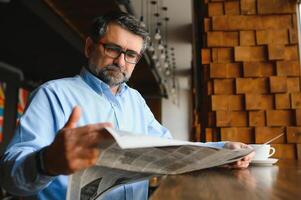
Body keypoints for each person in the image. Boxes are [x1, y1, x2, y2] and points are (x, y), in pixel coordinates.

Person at [0, 12, 254, 200]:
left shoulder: (136, 101)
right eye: (113, 49)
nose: (121, 62)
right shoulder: (51, 95)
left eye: (131, 55)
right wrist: (46, 162)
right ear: (89, 47)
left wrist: (222, 152)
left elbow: (172, 149)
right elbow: (9, 176)